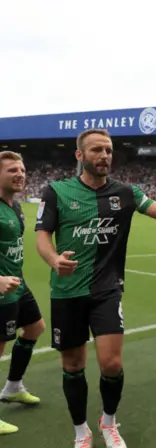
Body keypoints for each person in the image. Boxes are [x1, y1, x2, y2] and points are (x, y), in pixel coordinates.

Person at [34, 129, 156, 448]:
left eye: (108, 150)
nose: (105, 156)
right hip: (67, 290)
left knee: (112, 364)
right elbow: (42, 235)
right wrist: (54, 259)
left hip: (107, 289)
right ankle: (81, 431)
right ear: (79, 155)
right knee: (73, 364)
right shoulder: (55, 191)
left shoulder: (126, 192)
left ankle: (108, 422)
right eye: (97, 150)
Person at [0, 152, 46, 436]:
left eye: (23, 169)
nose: (20, 174)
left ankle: (13, 387)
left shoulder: (14, 206)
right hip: (1, 287)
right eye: (12, 170)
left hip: (17, 282)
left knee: (35, 328)